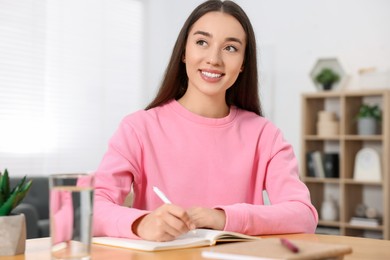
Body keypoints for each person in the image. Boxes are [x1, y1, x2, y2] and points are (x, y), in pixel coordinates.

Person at [92, 0, 318, 242]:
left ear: (243, 64)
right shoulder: (138, 128)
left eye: (230, 48)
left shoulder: (264, 135)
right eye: (202, 42)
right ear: (183, 52)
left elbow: (303, 215)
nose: (214, 59)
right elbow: (90, 208)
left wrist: (222, 218)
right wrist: (140, 224)